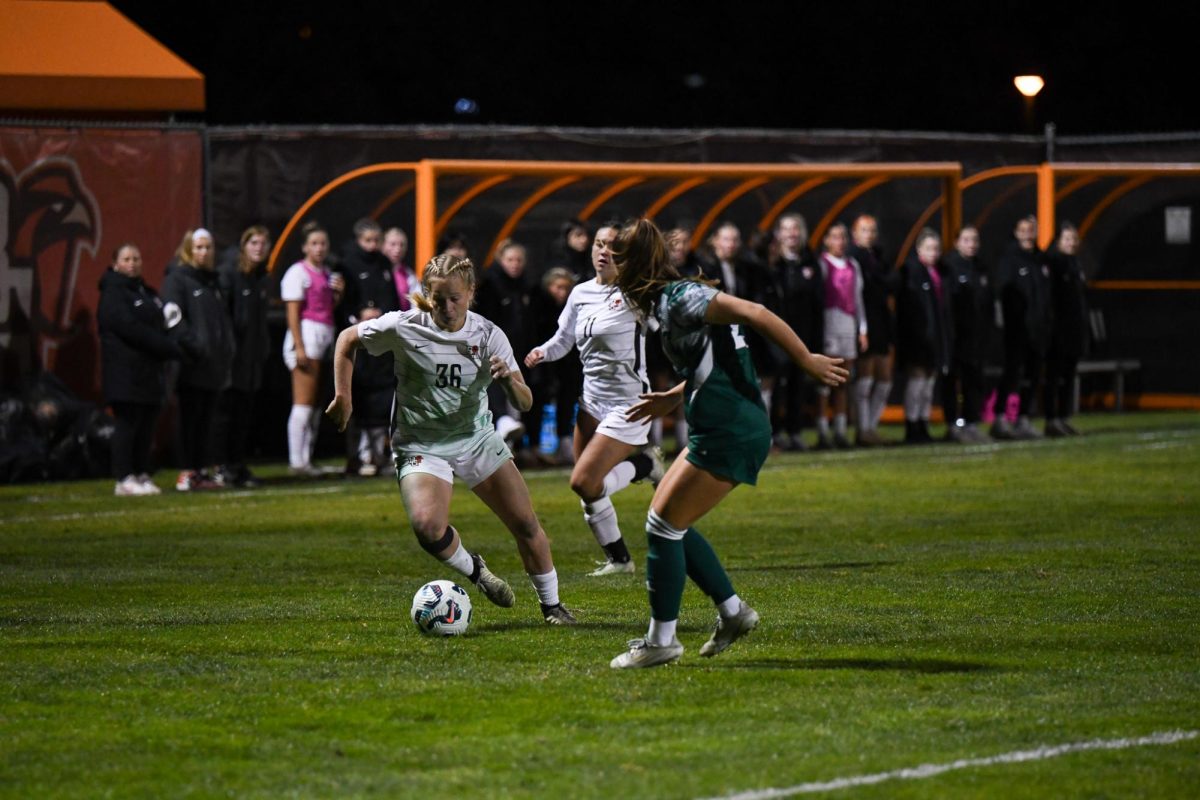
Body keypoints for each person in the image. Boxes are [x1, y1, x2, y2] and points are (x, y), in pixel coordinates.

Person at [607, 219, 848, 668]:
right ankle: (733, 613)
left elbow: (756, 312)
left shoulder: (681, 297)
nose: (604, 262)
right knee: (666, 520)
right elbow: (713, 361)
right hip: (719, 422)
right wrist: (672, 398)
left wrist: (805, 360)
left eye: (612, 255)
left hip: (731, 427)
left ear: (634, 264)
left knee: (662, 525)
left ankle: (662, 642)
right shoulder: (667, 300)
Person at [324, 253, 577, 625]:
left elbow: (525, 401)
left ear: (471, 293)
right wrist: (343, 396)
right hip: (421, 444)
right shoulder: (405, 324)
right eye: (438, 298)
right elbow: (348, 339)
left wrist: (509, 380)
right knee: (428, 528)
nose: (446, 307)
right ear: (426, 294)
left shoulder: (489, 334)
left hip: (475, 439)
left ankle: (552, 606)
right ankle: (477, 572)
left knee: (525, 524)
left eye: (455, 298)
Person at [524, 223, 665, 577]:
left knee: (584, 481)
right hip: (591, 400)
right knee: (587, 487)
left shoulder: (637, 293)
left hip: (629, 403)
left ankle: (646, 466)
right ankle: (619, 560)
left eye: (612, 247)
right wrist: (543, 351)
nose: (603, 251)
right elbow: (563, 339)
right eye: (599, 244)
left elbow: (667, 327)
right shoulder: (580, 292)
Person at [98, 243, 182, 496]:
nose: (132, 263)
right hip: (125, 372)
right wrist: (166, 346)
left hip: (148, 372)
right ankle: (124, 477)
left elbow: (158, 320)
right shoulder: (113, 293)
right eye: (126, 258)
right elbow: (130, 329)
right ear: (115, 264)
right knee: (128, 423)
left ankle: (141, 472)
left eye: (136, 258)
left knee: (146, 424)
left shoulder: (145, 291)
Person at [162, 228, 236, 491]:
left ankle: (200, 470)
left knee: (206, 421)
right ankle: (186, 471)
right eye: (199, 247)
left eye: (208, 247)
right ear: (188, 250)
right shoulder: (178, 279)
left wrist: (225, 349)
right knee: (190, 420)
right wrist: (195, 347)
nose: (204, 252)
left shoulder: (212, 282)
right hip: (191, 365)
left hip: (213, 366)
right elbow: (172, 316)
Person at [281, 221, 344, 475]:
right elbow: (293, 313)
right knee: (303, 403)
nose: (319, 248)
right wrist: (299, 346)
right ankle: (297, 461)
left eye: (323, 244)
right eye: (314, 243)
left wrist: (338, 295)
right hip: (307, 336)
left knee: (317, 405)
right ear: (305, 247)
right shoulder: (298, 273)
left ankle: (306, 458)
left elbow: (328, 309)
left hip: (324, 336)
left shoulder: (328, 273)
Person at [341, 219, 401, 476]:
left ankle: (379, 454)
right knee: (361, 397)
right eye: (368, 241)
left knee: (383, 398)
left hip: (382, 340)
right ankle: (360, 455)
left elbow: (392, 297)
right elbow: (343, 303)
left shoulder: (384, 264)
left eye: (377, 240)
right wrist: (359, 314)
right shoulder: (346, 266)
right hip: (359, 339)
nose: (373, 246)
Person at [216, 225, 272, 487]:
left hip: (251, 358)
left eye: (262, 243)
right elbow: (225, 318)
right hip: (233, 358)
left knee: (244, 416)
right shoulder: (230, 275)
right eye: (254, 243)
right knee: (228, 413)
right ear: (244, 246)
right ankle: (223, 465)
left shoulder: (261, 278)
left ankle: (237, 465)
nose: (258, 248)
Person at [475, 240, 537, 454]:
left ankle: (510, 442)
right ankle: (501, 426)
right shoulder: (490, 286)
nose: (515, 264)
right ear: (500, 260)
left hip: (519, 351)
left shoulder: (526, 287)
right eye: (510, 259)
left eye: (519, 260)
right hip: (493, 352)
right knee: (497, 388)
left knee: (517, 394)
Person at [992, 216, 1050, 440]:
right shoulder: (1010, 259)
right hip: (1018, 329)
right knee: (1012, 373)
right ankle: (1000, 417)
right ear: (1016, 233)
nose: (1027, 233)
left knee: (1033, 374)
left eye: (1031, 229)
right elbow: (1004, 293)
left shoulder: (1039, 259)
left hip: (1038, 328)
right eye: (1023, 230)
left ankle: (1023, 417)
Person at [770, 213, 823, 451]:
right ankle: (774, 433)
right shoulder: (772, 265)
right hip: (774, 336)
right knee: (776, 386)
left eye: (796, 229)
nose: (792, 233)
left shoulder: (810, 263)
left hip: (802, 335)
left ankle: (795, 431)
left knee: (797, 385)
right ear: (779, 234)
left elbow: (816, 304)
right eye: (787, 229)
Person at [896, 229, 951, 443]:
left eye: (936, 249)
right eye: (928, 248)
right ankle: (912, 425)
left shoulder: (939, 273)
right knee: (917, 382)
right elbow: (907, 309)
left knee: (928, 384)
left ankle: (923, 423)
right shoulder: (911, 272)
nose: (933, 253)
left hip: (935, 337)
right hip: (917, 338)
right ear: (919, 249)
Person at [815, 223, 867, 449]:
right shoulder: (822, 264)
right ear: (826, 240)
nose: (840, 241)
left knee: (844, 381)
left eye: (843, 237)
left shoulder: (853, 265)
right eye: (835, 237)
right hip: (829, 324)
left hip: (848, 324)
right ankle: (822, 430)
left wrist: (862, 329)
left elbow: (857, 299)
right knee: (825, 381)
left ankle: (840, 429)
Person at [848, 215, 897, 446]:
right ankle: (862, 429)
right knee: (865, 377)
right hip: (863, 322)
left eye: (872, 230)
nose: (869, 234)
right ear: (855, 234)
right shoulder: (853, 258)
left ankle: (871, 426)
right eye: (864, 230)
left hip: (881, 321)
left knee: (885, 378)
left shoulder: (877, 256)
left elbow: (890, 282)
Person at [941, 226, 992, 442]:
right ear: (957, 242)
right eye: (967, 240)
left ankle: (971, 423)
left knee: (974, 380)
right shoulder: (949, 267)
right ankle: (953, 424)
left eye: (975, 240)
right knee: (952, 380)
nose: (971, 244)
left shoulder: (980, 268)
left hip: (976, 336)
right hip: (955, 336)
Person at [1043, 223, 1088, 436]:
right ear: (1059, 241)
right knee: (1055, 375)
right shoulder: (1054, 263)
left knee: (1068, 374)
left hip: (1073, 329)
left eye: (1073, 239)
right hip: (1057, 330)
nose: (1071, 243)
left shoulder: (1074, 264)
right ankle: (1051, 418)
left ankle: (1063, 416)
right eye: (1067, 239)